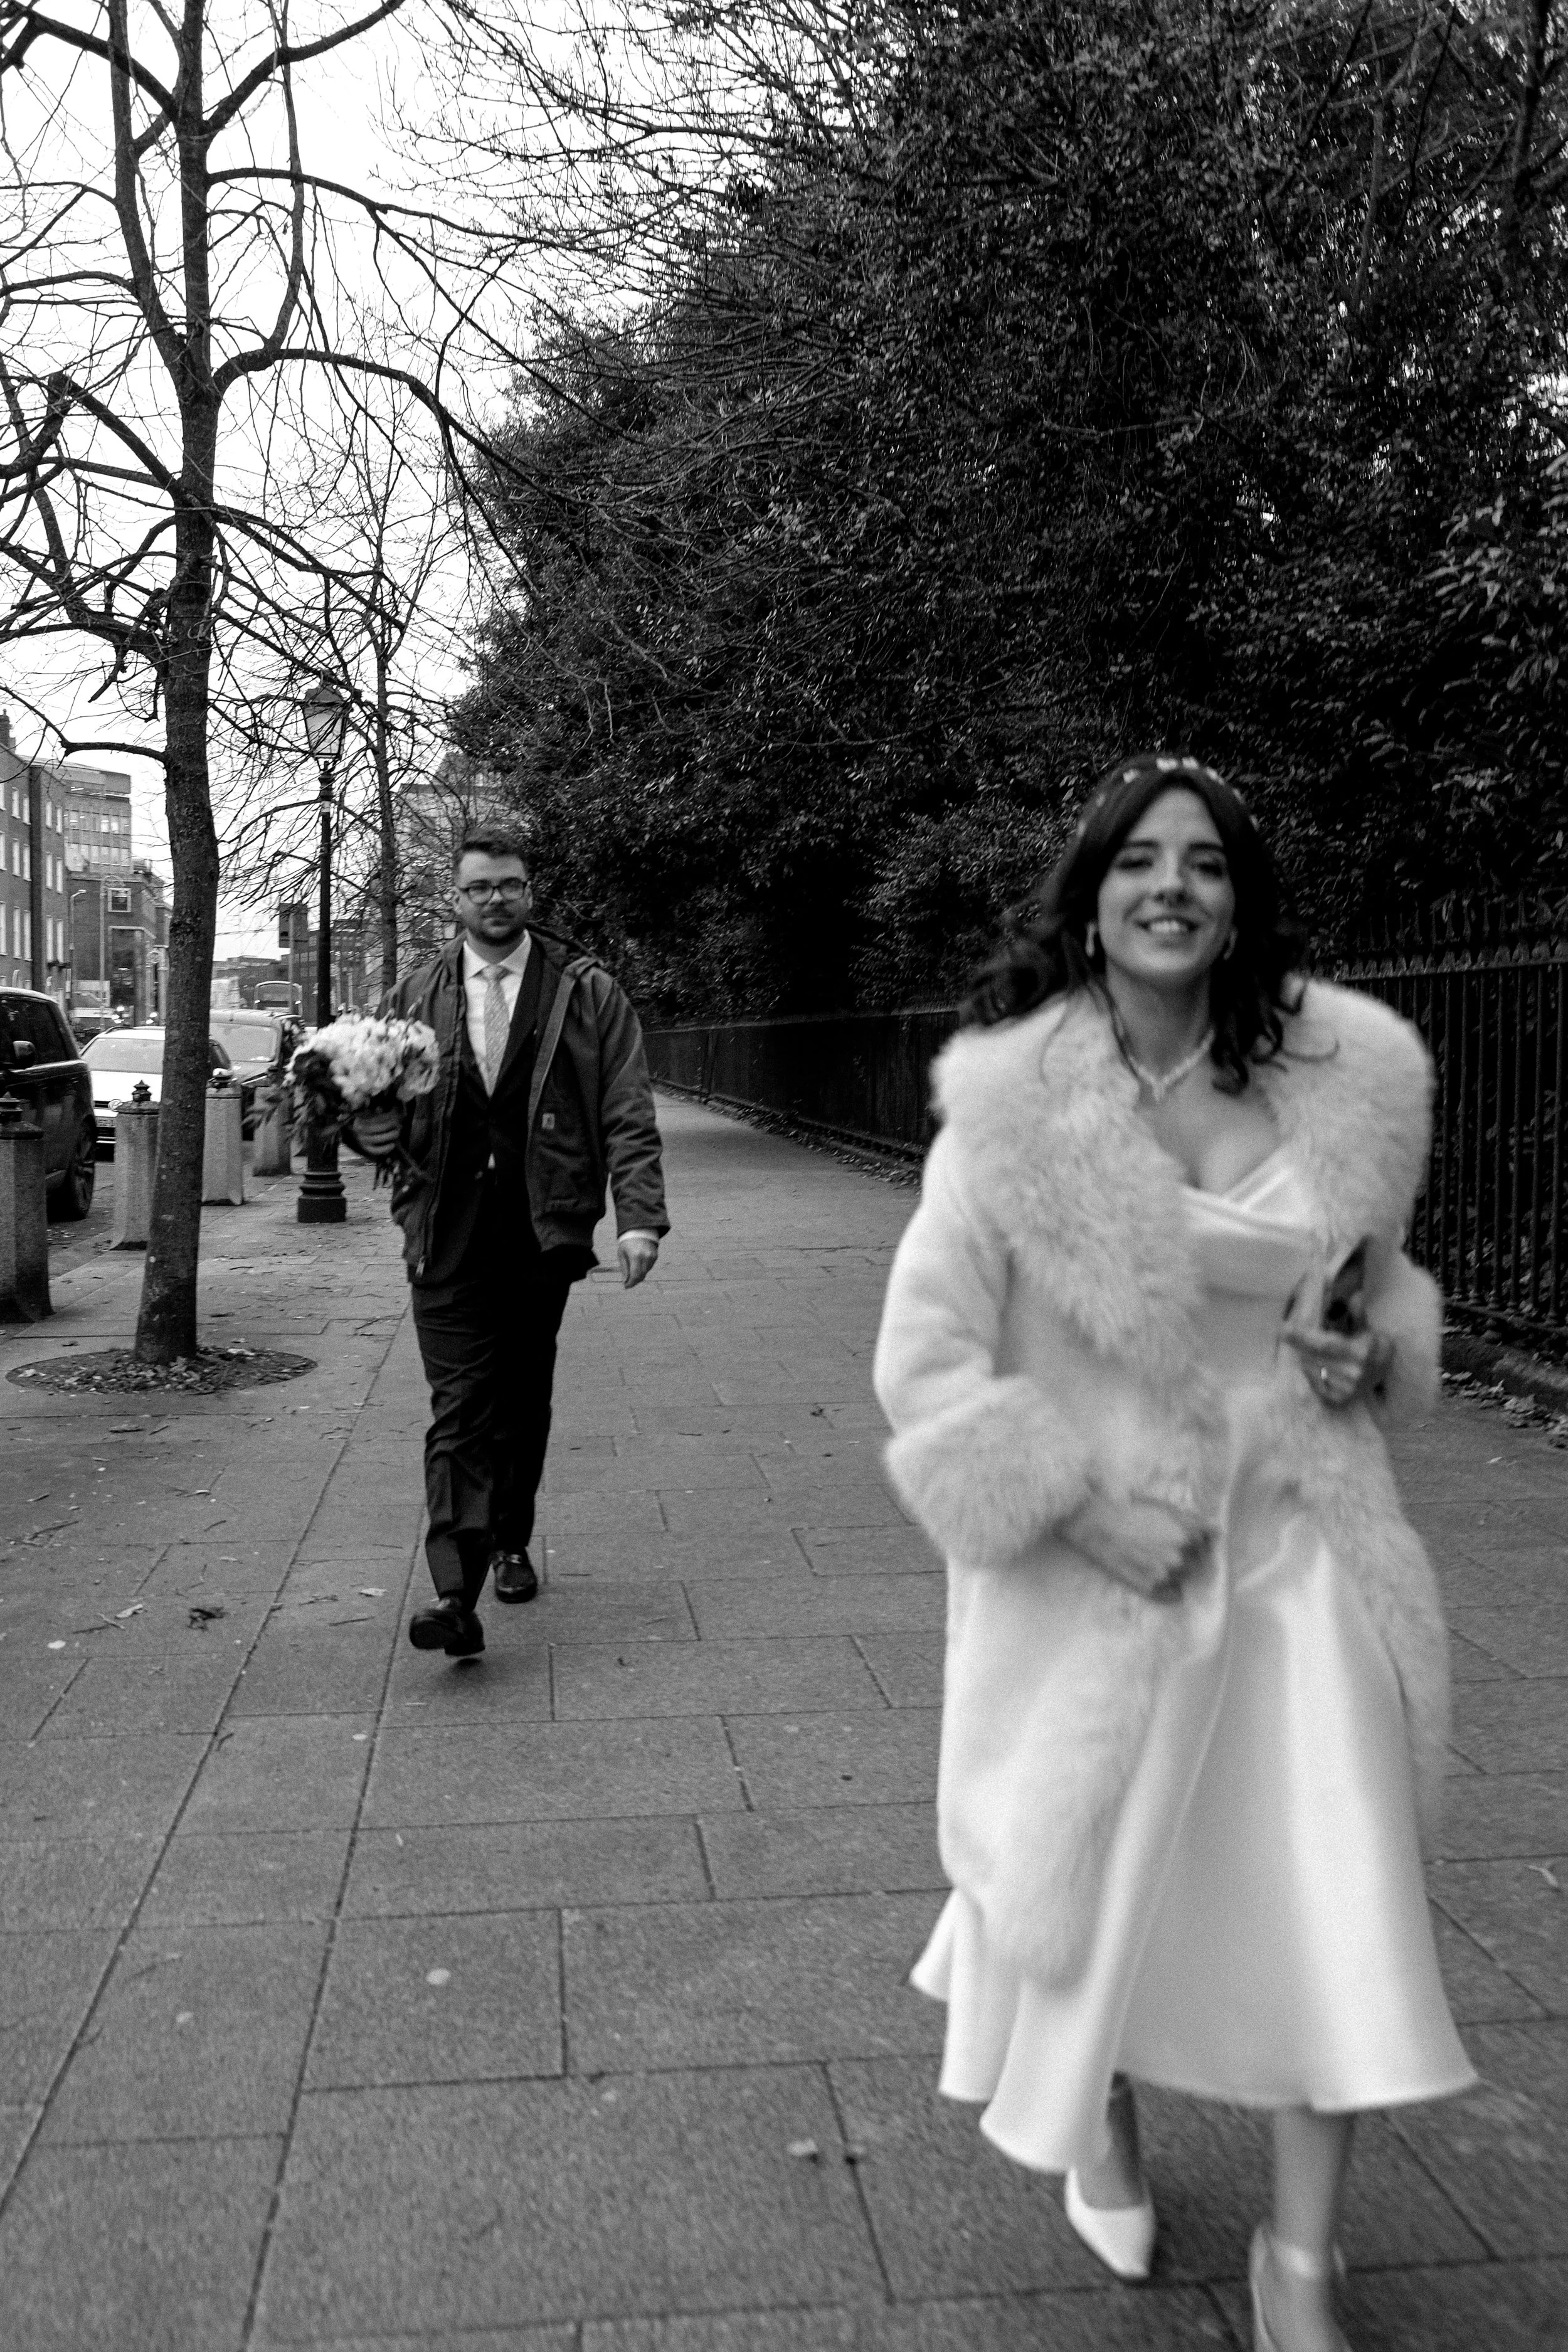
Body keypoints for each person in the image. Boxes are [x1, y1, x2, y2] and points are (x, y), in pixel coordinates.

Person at [872, 755, 1473, 2352]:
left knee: (1337, 1885)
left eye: (1203, 864)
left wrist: (1365, 1355)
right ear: (1089, 899)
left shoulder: (1340, 1082)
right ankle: (1104, 2115)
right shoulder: (1006, 1113)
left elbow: (1380, 1301)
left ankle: (1301, 2262)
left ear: (1235, 902)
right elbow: (923, 1369)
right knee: (1098, 1875)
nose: (1170, 888)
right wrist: (1083, 1513)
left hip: (1299, 1545)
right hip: (1103, 1566)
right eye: (1137, 860)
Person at [349, 826, 667, 1656]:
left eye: (510, 885)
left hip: (541, 1227)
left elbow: (627, 1108)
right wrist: (368, 1132)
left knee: (521, 1400)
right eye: (480, 887)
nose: (496, 898)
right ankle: (455, 1592)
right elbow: (370, 1107)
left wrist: (638, 1216)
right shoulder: (415, 993)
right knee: (459, 1406)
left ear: (529, 892)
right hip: (443, 1228)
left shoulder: (585, 991)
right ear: (455, 899)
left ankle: (512, 1538)